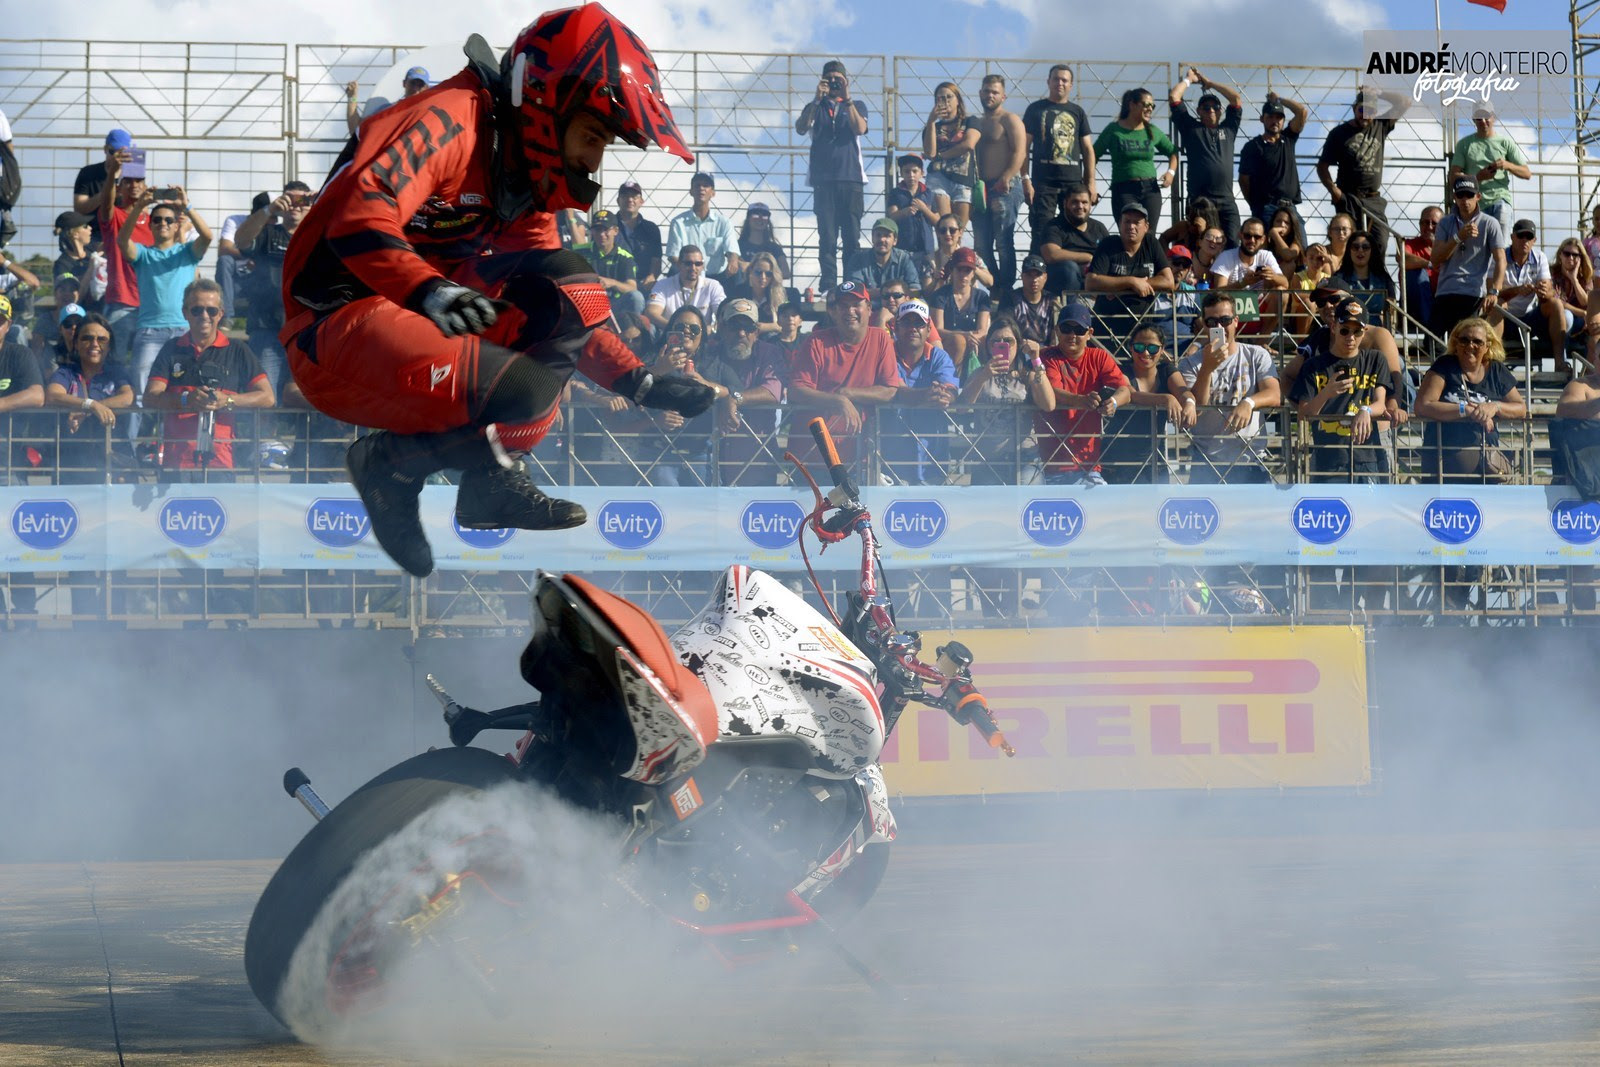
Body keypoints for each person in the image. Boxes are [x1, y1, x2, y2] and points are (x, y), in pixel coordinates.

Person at [279, 5, 722, 578]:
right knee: (524, 388)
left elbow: (569, 302)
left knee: (569, 282)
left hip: (416, 315)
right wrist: (432, 292)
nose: (593, 160)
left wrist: (639, 381)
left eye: (604, 143)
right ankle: (389, 465)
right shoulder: (450, 119)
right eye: (590, 134)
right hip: (331, 326)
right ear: (545, 103)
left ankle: (489, 478)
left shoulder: (523, 181)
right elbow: (360, 217)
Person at [143, 279, 275, 478]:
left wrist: (228, 400)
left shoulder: (237, 349)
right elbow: (150, 397)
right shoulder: (171, 348)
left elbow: (267, 397)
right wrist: (186, 399)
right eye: (197, 310)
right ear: (185, 313)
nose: (204, 316)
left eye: (211, 311)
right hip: (175, 463)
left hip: (222, 462)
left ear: (221, 314)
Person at [118, 185, 213, 436]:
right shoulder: (143, 254)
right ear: (150, 225)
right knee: (140, 395)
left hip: (184, 331)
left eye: (168, 220)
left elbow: (207, 236)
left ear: (175, 225)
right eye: (157, 219)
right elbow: (121, 240)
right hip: (149, 332)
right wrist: (139, 206)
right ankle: (132, 452)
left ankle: (169, 448)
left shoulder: (186, 252)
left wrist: (186, 206)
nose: (163, 223)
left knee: (180, 393)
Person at [785, 280, 901, 467]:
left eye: (856, 304)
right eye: (843, 306)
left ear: (869, 308)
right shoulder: (816, 341)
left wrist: (847, 394)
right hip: (812, 456)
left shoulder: (880, 339)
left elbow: (889, 391)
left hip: (859, 456)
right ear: (833, 312)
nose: (850, 311)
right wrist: (838, 401)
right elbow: (796, 390)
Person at [1179, 291, 1282, 483]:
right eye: (1211, 322)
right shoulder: (1189, 364)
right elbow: (1197, 408)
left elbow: (1274, 394)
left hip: (1250, 457)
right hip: (1207, 460)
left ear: (1236, 321)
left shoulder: (1256, 354)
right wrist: (1207, 369)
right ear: (1204, 325)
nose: (1219, 327)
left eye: (1225, 320)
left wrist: (1249, 402)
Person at [1289, 300, 1391, 481]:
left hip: (1367, 458)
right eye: (1345, 330)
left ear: (1364, 331)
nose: (1350, 337)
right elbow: (1303, 415)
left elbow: (1381, 404)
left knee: (1370, 510)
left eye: (1356, 331)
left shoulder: (1375, 359)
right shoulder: (1314, 365)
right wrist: (1326, 393)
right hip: (1327, 459)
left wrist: (1365, 410)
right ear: (1334, 327)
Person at [1413, 316, 1523, 483]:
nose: (1470, 346)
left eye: (1477, 342)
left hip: (1486, 466)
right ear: (1456, 344)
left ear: (1487, 346)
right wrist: (1466, 410)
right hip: (1442, 463)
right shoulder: (1444, 366)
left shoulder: (1496, 370)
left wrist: (1495, 407)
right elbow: (1423, 405)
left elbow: (1521, 408)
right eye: (1464, 340)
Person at [1033, 302, 1129, 485]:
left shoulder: (1100, 357)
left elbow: (1125, 390)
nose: (1072, 335)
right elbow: (1053, 393)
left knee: (1100, 510)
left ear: (1089, 334)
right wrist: (1082, 400)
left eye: (1079, 330)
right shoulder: (1045, 356)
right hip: (1048, 465)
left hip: (1089, 466)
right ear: (1057, 330)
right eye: (1066, 328)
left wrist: (1114, 402)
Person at [695, 297, 787, 486]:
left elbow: (773, 393)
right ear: (721, 328)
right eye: (734, 326)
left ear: (757, 331)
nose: (741, 333)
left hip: (756, 458)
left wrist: (734, 399)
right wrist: (727, 396)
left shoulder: (770, 353)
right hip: (708, 458)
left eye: (749, 327)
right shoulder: (709, 352)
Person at [232, 181, 311, 400]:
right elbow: (241, 241)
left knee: (309, 396)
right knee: (265, 398)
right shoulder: (267, 233)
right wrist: (268, 210)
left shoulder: (316, 236)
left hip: (305, 332)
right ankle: (267, 436)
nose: (295, 206)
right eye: (290, 199)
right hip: (267, 329)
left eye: (302, 200)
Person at [795, 60, 869, 294]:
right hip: (823, 181)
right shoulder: (815, 107)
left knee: (851, 237)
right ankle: (828, 283)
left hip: (851, 179)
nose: (835, 83)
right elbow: (801, 127)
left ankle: (850, 283)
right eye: (830, 79)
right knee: (827, 236)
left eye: (839, 79)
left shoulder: (856, 105)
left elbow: (860, 129)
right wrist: (817, 99)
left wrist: (846, 99)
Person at [958, 313, 1055, 485]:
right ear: (988, 346)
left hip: (1025, 458)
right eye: (996, 341)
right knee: (988, 511)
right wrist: (984, 376)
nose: (1002, 345)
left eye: (1009, 341)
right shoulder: (979, 374)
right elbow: (962, 408)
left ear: (1018, 345)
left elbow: (1049, 404)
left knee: (1028, 506)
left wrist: (1036, 360)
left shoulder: (1029, 375)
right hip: (988, 459)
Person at [44, 312, 136, 484]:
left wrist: (87, 410)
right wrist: (90, 405)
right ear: (76, 344)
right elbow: (52, 395)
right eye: (87, 338)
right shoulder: (66, 372)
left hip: (116, 463)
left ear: (110, 345)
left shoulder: (117, 372)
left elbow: (128, 397)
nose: (94, 344)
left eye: (102, 339)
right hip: (72, 465)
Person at [1316, 88, 1411, 252]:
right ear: (1354, 109)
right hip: (1348, 197)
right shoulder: (1339, 133)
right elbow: (1322, 166)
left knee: (1379, 240)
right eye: (1362, 110)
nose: (1365, 115)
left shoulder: (1380, 125)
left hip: (1373, 199)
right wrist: (1334, 191)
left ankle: (1376, 276)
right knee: (1347, 242)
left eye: (1371, 110)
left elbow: (1405, 102)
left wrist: (1380, 92)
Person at [1099, 323, 1191, 484]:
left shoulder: (1167, 370)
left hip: (1155, 462)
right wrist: (1165, 398)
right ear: (1130, 347)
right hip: (1116, 463)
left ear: (1162, 350)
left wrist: (1189, 403)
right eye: (1139, 346)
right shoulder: (1122, 371)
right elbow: (1131, 395)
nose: (1146, 353)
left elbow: (1183, 391)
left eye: (1153, 348)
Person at [881, 298, 959, 485]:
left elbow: (949, 392)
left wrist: (944, 396)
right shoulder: (885, 353)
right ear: (896, 327)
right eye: (907, 322)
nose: (913, 328)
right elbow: (897, 390)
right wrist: (927, 395)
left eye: (919, 323)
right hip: (890, 462)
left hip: (932, 459)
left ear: (928, 330)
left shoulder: (939, 356)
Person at [1022, 64, 1096, 247]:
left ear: (1071, 85)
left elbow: (1087, 149)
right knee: (1041, 231)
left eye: (1064, 80)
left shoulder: (1077, 112)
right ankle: (1039, 273)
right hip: (1043, 183)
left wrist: (1091, 183)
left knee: (1072, 232)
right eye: (1056, 79)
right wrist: (1025, 179)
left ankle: (1070, 274)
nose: (1060, 83)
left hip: (1073, 184)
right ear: (1048, 82)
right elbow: (1024, 146)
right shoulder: (1035, 109)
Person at [1168, 68, 1243, 245]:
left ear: (1220, 111)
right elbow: (1174, 98)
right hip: (1200, 199)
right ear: (1199, 111)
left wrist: (1210, 84)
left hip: (1226, 198)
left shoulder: (1229, 128)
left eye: (1215, 107)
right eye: (1206, 107)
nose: (1211, 110)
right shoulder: (1191, 128)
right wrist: (1189, 80)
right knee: (1200, 242)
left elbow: (1236, 99)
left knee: (1232, 242)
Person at [1085, 202, 1175, 347]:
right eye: (1127, 221)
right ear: (1120, 224)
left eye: (1136, 222)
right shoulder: (1108, 244)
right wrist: (1131, 282)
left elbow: (1169, 282)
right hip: (1107, 325)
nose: (1131, 226)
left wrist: (1117, 286)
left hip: (1142, 328)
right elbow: (1091, 282)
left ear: (1146, 227)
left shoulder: (1151, 243)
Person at [1429, 176, 1507, 337]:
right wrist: (1458, 237)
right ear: (1454, 197)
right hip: (1446, 292)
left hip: (1472, 294)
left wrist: (1494, 291)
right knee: (1431, 342)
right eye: (1460, 195)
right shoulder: (1445, 223)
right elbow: (1435, 260)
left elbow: (1501, 259)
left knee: (1464, 341)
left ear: (1478, 196)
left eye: (1469, 195)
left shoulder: (1490, 223)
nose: (1465, 200)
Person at [1094, 88, 1178, 231]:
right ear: (1132, 105)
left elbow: (1173, 152)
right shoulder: (1114, 130)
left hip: (1150, 189)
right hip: (1124, 189)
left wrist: (1171, 172)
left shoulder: (1152, 130)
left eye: (1153, 106)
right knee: (1129, 233)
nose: (1150, 109)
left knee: (1149, 234)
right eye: (1146, 105)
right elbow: (1093, 154)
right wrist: (1091, 185)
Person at [974, 75, 1028, 300]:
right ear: (980, 93)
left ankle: (1006, 287)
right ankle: (995, 284)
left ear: (1003, 96)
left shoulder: (1010, 119)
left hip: (1005, 185)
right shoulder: (976, 122)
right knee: (981, 243)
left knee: (1003, 241)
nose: (990, 95)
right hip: (981, 188)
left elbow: (1020, 151)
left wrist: (1006, 176)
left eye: (995, 92)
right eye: (986, 91)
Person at [1447, 100, 1530, 228]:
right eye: (1479, 118)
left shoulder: (1505, 143)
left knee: (1500, 245)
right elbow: (1453, 178)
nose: (1483, 121)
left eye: (1486, 117)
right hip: (1473, 203)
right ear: (1474, 119)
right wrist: (1478, 177)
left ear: (1494, 117)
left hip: (1500, 200)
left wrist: (1506, 165)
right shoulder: (1464, 144)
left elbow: (1526, 173)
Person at [1238, 93, 1308, 225]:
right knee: (1266, 246)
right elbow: (1243, 180)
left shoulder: (1288, 138)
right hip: (1266, 209)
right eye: (1270, 117)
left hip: (1291, 208)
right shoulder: (1253, 147)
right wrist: (1255, 205)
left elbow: (1302, 112)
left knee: (1300, 245)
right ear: (1262, 119)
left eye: (1279, 117)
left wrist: (1279, 99)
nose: (1275, 121)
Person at [921, 82, 982, 233]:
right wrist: (930, 121)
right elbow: (930, 153)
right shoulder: (932, 128)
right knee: (944, 228)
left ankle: (957, 256)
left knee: (958, 230)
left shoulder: (970, 121)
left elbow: (968, 144)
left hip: (963, 179)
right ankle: (943, 255)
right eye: (941, 98)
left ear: (958, 100)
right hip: (938, 178)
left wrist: (941, 156)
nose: (946, 101)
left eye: (949, 97)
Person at [577, 209, 643, 344]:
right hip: (587, 304)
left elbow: (632, 287)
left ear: (615, 231)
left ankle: (633, 339)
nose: (601, 234)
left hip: (616, 307)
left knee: (636, 297)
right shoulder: (580, 252)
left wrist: (611, 283)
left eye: (605, 230)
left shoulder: (624, 256)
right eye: (597, 230)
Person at [1497, 219, 1560, 354]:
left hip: (1529, 320)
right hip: (1505, 319)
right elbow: (1493, 292)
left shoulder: (1540, 257)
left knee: (1556, 303)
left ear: (1534, 240)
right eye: (1520, 236)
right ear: (1512, 237)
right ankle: (1492, 362)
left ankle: (1560, 361)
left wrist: (1543, 291)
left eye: (1529, 237)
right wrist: (1517, 290)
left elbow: (1548, 290)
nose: (1525, 240)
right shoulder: (1499, 257)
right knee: (1498, 304)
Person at [929, 247, 992, 371]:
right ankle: (951, 382)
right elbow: (937, 330)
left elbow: (982, 330)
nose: (963, 275)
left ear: (974, 272)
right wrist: (964, 336)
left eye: (968, 270)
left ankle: (988, 381)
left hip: (975, 342)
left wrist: (972, 338)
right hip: (947, 343)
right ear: (952, 270)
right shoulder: (940, 295)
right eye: (959, 270)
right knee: (959, 341)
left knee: (987, 341)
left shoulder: (981, 296)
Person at [1035, 183, 1104, 295]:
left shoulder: (1099, 228)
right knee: (1069, 267)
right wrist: (1088, 257)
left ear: (1090, 204)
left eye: (1084, 202)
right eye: (1075, 202)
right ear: (1065, 203)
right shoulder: (1054, 226)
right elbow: (1051, 254)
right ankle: (1072, 308)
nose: (1080, 206)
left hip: (1093, 282)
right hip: (1063, 284)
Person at [72, 129, 136, 247]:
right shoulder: (88, 173)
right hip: (93, 238)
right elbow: (79, 208)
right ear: (105, 149)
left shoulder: (133, 176)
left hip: (123, 237)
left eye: (122, 153)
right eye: (113, 151)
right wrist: (108, 192)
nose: (117, 157)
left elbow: (141, 211)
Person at [666, 172, 736, 278]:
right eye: (697, 185)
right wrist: (691, 271)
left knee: (738, 274)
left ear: (713, 193)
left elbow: (732, 250)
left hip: (717, 277)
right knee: (673, 272)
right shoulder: (678, 222)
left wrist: (733, 261)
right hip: (687, 275)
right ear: (691, 192)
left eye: (706, 185)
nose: (701, 188)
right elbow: (673, 256)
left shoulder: (724, 222)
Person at [646, 246, 726, 329]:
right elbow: (651, 313)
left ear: (702, 266)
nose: (693, 268)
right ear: (679, 264)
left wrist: (710, 329)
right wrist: (675, 329)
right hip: (671, 336)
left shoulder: (713, 286)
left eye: (698, 264)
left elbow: (724, 315)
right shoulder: (662, 285)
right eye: (688, 263)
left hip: (703, 337)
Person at [1332, 230, 1397, 327]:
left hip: (1375, 333)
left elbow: (1392, 312)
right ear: (1349, 250)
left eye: (1365, 247)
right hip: (1347, 332)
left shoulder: (1384, 279)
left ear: (1372, 251)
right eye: (1355, 247)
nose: (1360, 250)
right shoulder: (1338, 278)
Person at [726, 250, 799, 337]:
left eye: (768, 274)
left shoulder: (781, 295)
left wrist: (765, 327)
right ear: (750, 272)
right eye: (758, 272)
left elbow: (788, 325)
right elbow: (735, 323)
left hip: (773, 342)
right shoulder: (739, 292)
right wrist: (772, 326)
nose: (763, 277)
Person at [886, 154, 939, 265]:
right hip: (901, 248)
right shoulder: (896, 193)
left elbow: (937, 221)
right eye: (907, 172)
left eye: (915, 171)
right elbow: (891, 217)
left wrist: (924, 209)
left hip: (925, 249)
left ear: (922, 173)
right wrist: (904, 212)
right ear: (901, 174)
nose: (911, 175)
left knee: (927, 280)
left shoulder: (928, 194)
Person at [846, 217, 921, 294]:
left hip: (899, 304)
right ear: (872, 238)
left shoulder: (904, 258)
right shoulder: (858, 259)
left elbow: (915, 289)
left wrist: (887, 295)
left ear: (895, 241)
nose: (882, 239)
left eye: (887, 236)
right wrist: (893, 292)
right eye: (878, 235)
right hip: (870, 305)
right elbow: (855, 291)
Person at [614, 179, 664, 290]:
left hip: (644, 284)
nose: (630, 200)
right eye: (625, 196)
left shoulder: (651, 229)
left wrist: (652, 276)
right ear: (618, 201)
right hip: (615, 284)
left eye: (634, 196)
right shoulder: (608, 227)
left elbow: (656, 259)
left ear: (641, 201)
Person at [1401, 206, 1443, 328]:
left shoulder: (1448, 248)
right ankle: (1430, 328)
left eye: (1434, 223)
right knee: (1417, 273)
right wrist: (1429, 264)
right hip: (1415, 304)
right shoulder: (1410, 244)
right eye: (1425, 222)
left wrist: (1436, 245)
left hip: (1441, 302)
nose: (1429, 227)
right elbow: (1402, 258)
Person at [1010, 254, 1059, 356]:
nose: (1034, 280)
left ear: (1045, 277)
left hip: (1046, 353)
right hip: (1018, 353)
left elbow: (1056, 334)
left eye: (1038, 275)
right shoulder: (1010, 299)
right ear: (1022, 277)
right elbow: (1006, 329)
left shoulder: (1053, 300)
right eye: (1029, 275)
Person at [736, 203, 789, 280]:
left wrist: (762, 271)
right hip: (742, 289)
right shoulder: (737, 246)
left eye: (764, 216)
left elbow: (786, 272)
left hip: (767, 290)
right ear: (748, 219)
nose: (760, 218)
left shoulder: (775, 248)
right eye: (755, 215)